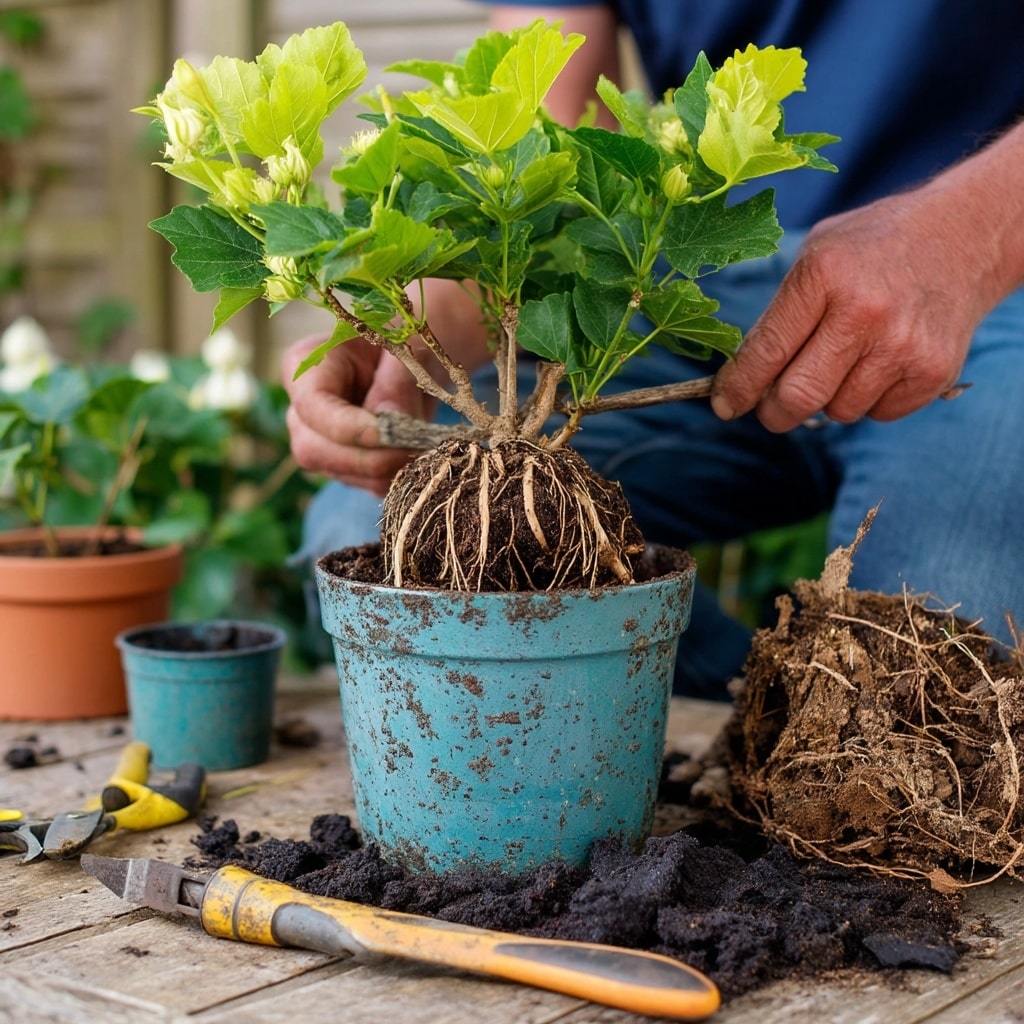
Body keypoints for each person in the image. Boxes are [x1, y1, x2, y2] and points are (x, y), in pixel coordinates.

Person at [284, 1, 1024, 699]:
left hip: (994, 275)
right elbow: (552, 117)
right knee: (393, 540)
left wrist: (966, 237)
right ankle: (758, 722)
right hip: (689, 286)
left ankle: (842, 738)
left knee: (940, 655)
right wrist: (422, 320)